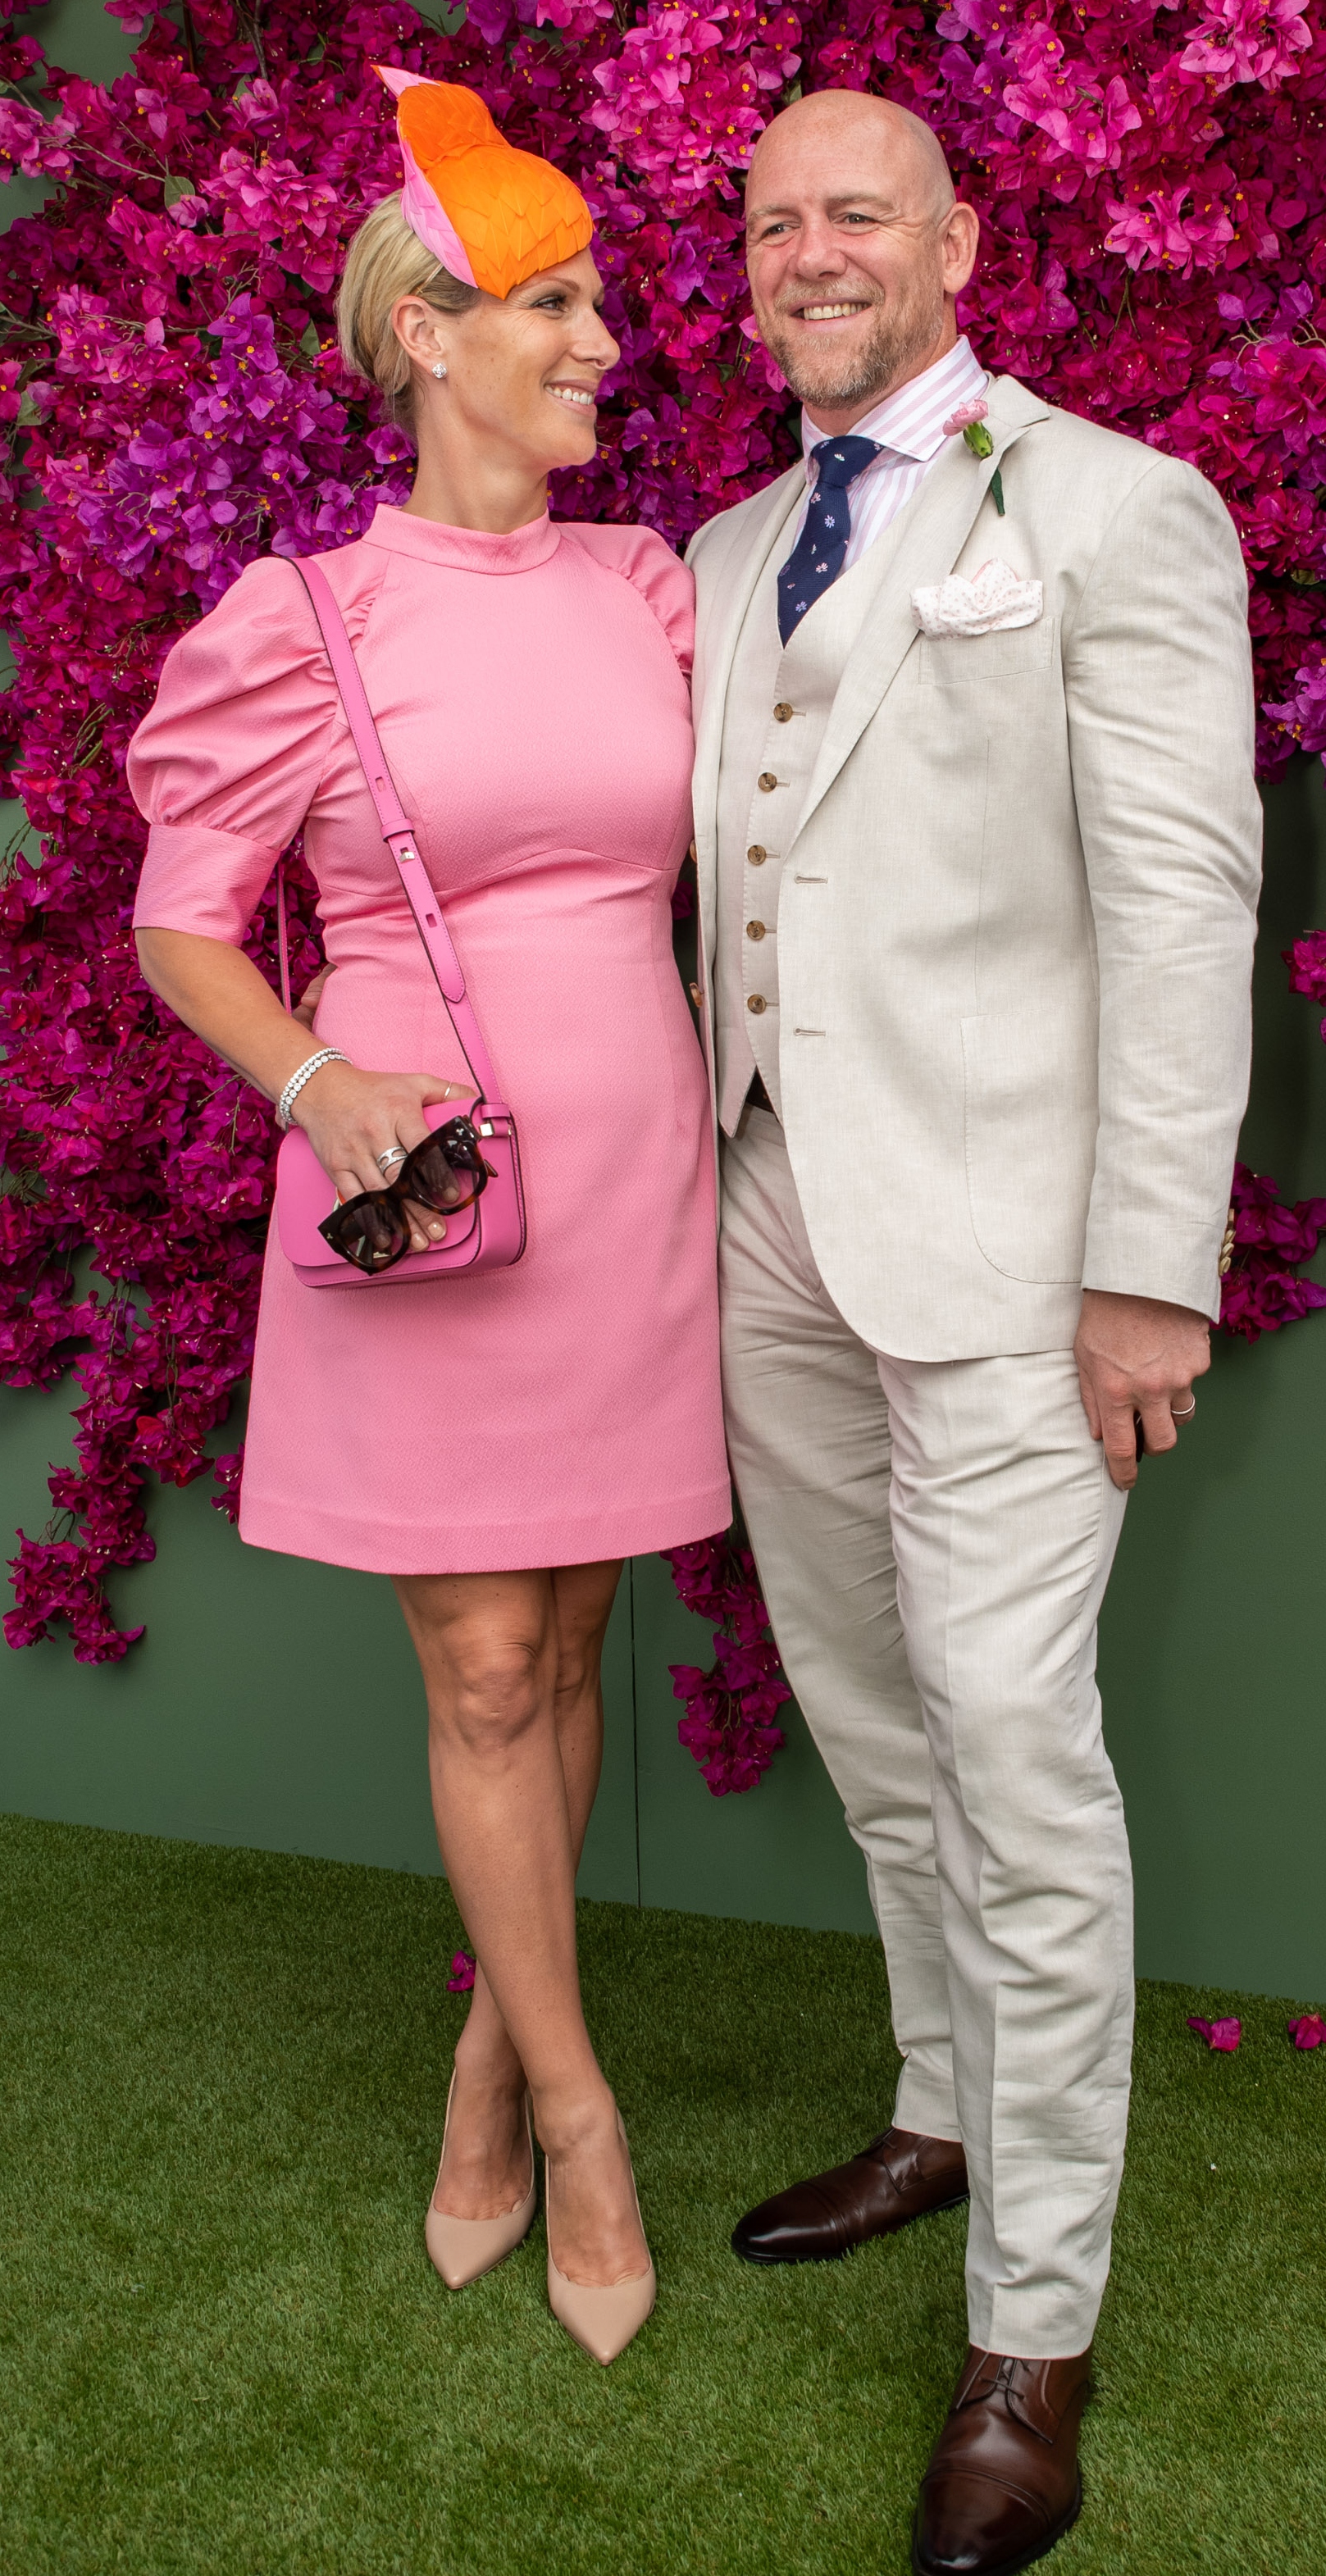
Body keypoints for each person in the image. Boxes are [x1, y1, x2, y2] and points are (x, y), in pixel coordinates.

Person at [686, 89, 1260, 2576]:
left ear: (958, 237)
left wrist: (1149, 1262)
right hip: (766, 1220)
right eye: (775, 219)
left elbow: (1185, 902)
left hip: (1023, 1260)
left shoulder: (1115, 508)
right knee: (869, 1707)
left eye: (859, 214)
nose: (816, 251)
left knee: (1021, 1761)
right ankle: (939, 2112)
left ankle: (1035, 2335)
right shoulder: (717, 550)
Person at [128, 70, 729, 2367]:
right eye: (552, 305)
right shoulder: (299, 618)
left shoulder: (649, 587)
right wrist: (317, 1078)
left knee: (568, 1656)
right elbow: (185, 930)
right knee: (482, 1663)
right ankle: (580, 2118)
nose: (600, 343)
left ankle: (489, 2050)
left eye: (595, 303)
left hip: (635, 1182)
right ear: (425, 333)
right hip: (428, 1189)